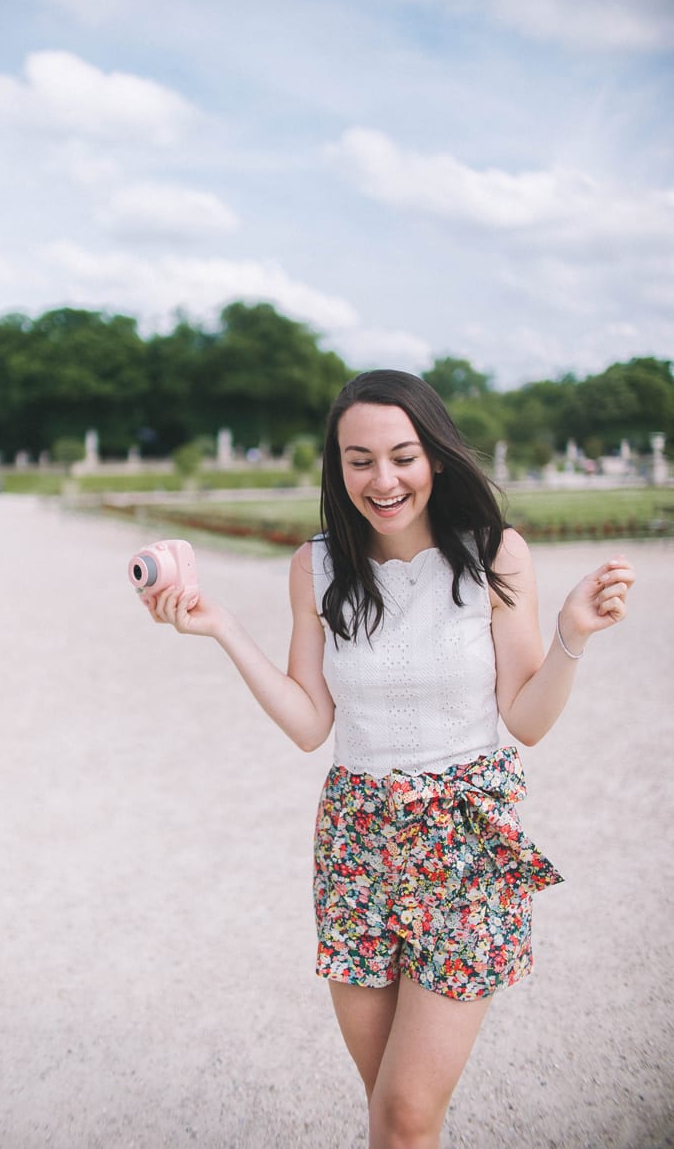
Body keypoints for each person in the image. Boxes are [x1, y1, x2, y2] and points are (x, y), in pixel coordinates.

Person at [140, 369, 634, 1149]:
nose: (383, 478)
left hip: (465, 842)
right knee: (394, 1117)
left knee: (403, 1117)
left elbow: (527, 720)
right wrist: (224, 627)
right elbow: (310, 725)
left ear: (436, 456)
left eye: (402, 455)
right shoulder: (317, 567)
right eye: (358, 458)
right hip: (355, 840)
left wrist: (571, 636)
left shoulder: (494, 555)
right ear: (337, 467)